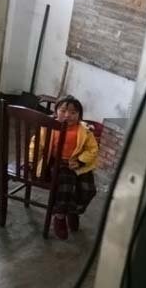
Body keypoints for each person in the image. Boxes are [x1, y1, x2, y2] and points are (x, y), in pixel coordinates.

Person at [29, 95, 99, 239]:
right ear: (56, 111)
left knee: (88, 189)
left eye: (73, 112)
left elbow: (92, 149)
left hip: (78, 162)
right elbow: (36, 145)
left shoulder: (84, 130)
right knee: (65, 187)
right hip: (56, 162)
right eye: (63, 110)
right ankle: (60, 216)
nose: (68, 115)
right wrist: (31, 161)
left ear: (79, 115)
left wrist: (80, 161)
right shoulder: (48, 127)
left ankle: (73, 211)